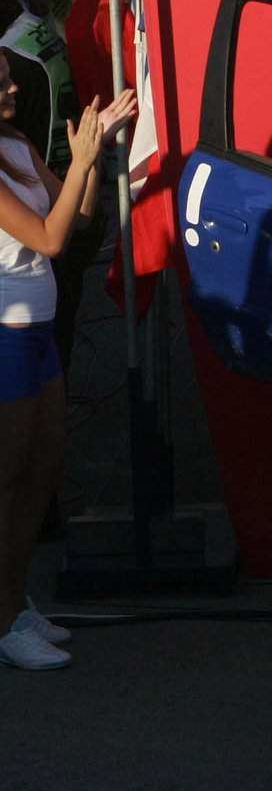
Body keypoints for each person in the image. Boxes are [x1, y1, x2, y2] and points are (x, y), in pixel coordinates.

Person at [0, 53, 136, 669]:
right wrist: (80, 160)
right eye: (0, 80)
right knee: (7, 481)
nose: (12, 85)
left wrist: (96, 152)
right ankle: (4, 620)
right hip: (7, 336)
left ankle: (13, 600)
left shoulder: (17, 143)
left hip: (37, 333)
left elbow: (77, 218)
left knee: (45, 471)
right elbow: (48, 239)